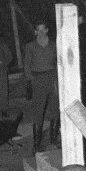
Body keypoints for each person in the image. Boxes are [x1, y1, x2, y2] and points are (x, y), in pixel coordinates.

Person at [24, 21, 59, 151]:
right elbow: (27, 65)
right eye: (38, 30)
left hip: (52, 78)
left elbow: (58, 62)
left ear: (47, 30)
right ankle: (36, 143)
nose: (41, 32)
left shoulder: (53, 45)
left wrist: (56, 79)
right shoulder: (30, 46)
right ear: (35, 32)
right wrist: (31, 79)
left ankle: (53, 140)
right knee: (38, 112)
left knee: (55, 109)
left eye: (43, 29)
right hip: (37, 79)